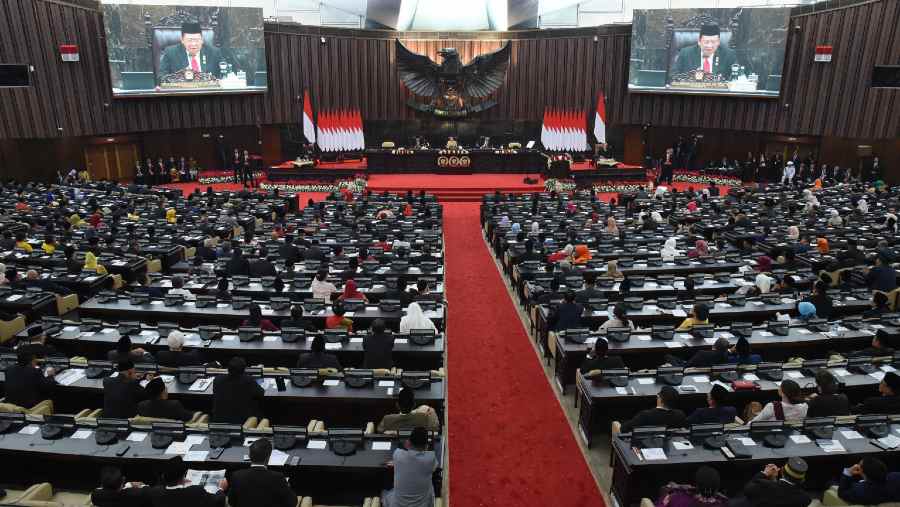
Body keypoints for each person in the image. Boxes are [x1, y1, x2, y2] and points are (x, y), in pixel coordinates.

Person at [226, 438, 297, 507]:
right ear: (268, 458)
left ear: (250, 456)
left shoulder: (237, 476)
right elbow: (292, 503)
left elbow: (231, 502)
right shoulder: (278, 478)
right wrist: (288, 487)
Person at [381, 427, 438, 507]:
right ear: (426, 446)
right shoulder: (430, 458)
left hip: (397, 504)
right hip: (423, 504)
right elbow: (434, 468)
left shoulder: (397, 454)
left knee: (384, 492)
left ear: (408, 443)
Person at [729, 458, 811, 507]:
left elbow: (747, 490)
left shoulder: (763, 486)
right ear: (801, 479)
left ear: (782, 471)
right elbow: (780, 492)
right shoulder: (805, 499)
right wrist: (773, 480)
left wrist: (764, 473)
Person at [147, 457, 226, 507]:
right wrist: (221, 488)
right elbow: (218, 502)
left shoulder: (155, 493)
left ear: (163, 476)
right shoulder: (195, 492)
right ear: (183, 475)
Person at [158, 22, 224, 81]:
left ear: (202, 40)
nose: (193, 44)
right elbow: (161, 76)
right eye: (190, 40)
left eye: (197, 40)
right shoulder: (171, 53)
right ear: (182, 40)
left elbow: (225, 72)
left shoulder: (214, 52)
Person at [672, 24, 738, 81]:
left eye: (713, 42)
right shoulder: (685, 53)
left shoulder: (729, 55)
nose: (709, 46)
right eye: (706, 42)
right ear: (699, 42)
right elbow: (674, 76)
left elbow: (735, 78)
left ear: (718, 42)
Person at [211, 357, 265, 425]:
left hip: (219, 419)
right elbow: (261, 393)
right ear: (244, 370)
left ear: (228, 369)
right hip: (242, 421)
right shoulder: (248, 380)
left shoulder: (217, 379)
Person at [620, 385, 686, 433]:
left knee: (616, 424)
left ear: (660, 398)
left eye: (659, 395)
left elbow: (623, 429)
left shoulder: (645, 415)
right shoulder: (680, 415)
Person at [655, 465, 729, 507]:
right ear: (717, 488)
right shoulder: (724, 503)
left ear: (696, 485)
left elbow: (661, 503)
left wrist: (676, 487)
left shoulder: (677, 499)